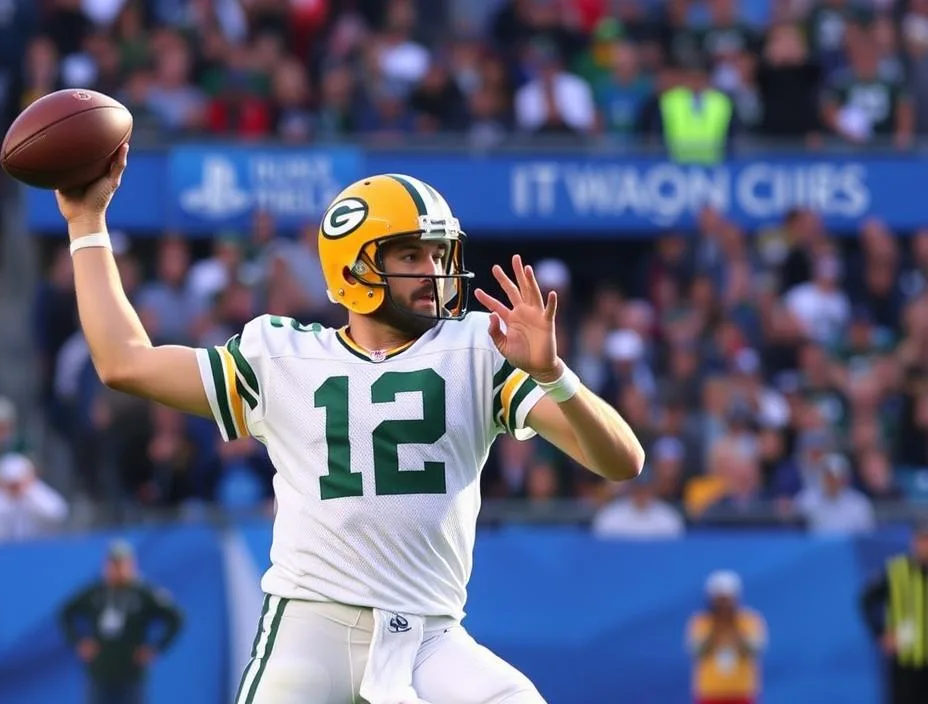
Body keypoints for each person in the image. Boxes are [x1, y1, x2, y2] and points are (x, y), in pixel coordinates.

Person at [55, 143, 644, 703]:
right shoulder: (281, 355)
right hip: (311, 625)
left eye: (438, 254)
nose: (433, 270)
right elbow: (124, 362)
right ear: (355, 268)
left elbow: (621, 461)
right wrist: (87, 223)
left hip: (430, 634)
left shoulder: (479, 349)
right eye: (411, 254)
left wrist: (554, 375)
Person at [59, 540, 184, 704]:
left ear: (131, 565)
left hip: (130, 672)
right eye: (113, 564)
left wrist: (156, 647)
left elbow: (175, 618)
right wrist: (78, 642)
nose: (116, 569)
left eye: (121, 564)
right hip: (101, 670)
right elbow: (65, 613)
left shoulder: (144, 593)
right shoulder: (95, 592)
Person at [860, 522, 928, 704]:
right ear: (914, 541)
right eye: (922, 539)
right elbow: (867, 602)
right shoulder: (896, 570)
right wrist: (881, 633)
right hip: (905, 658)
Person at [685, 570, 768, 704]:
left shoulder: (749, 620)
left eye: (727, 599)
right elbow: (697, 652)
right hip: (710, 693)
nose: (723, 604)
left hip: (742, 692)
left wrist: (734, 627)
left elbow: (754, 651)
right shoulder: (700, 622)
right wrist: (716, 627)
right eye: (719, 599)